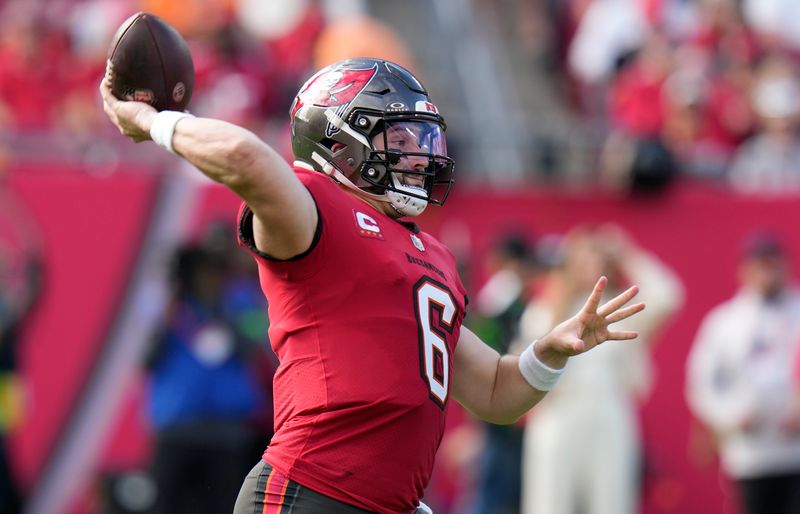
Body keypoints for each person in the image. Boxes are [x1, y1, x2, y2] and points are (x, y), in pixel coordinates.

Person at [100, 56, 645, 514]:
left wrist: (547, 353)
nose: (419, 154)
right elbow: (244, 158)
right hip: (313, 492)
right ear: (339, 143)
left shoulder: (426, 251)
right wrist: (154, 121)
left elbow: (497, 394)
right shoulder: (316, 207)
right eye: (400, 138)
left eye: (422, 138)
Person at [518, 224, 684, 514]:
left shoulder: (617, 310)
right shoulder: (543, 310)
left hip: (610, 416)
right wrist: (563, 291)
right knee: (549, 504)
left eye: (594, 255)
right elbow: (525, 366)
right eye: (580, 256)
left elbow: (668, 295)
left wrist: (628, 253)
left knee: (611, 503)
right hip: (556, 418)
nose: (587, 262)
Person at [686, 232, 800, 514]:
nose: (767, 272)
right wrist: (730, 415)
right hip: (750, 453)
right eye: (759, 265)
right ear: (744, 270)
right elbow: (701, 382)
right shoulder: (725, 321)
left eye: (772, 264)